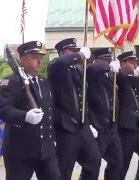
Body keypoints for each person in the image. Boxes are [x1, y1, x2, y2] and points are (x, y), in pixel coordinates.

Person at [0, 41, 59, 180]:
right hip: (20, 150)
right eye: (34, 56)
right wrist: (24, 116)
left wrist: (53, 138)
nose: (39, 60)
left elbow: (50, 112)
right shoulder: (11, 81)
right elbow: (1, 109)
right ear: (23, 60)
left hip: (46, 149)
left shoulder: (44, 82)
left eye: (40, 57)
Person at [48, 38, 101, 180]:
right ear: (62, 53)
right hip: (66, 126)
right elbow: (61, 62)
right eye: (72, 52)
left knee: (94, 162)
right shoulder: (55, 66)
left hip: (82, 125)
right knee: (64, 169)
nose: (76, 54)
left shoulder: (77, 70)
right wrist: (80, 56)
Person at [116, 51, 139, 180]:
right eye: (132, 62)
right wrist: (136, 72)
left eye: (136, 62)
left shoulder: (135, 78)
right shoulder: (120, 75)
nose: (135, 64)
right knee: (124, 160)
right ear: (123, 63)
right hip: (126, 126)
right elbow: (123, 75)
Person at [86, 48, 123, 180]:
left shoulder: (110, 76)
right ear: (97, 60)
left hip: (112, 126)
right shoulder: (92, 71)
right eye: (105, 60)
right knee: (92, 165)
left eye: (110, 60)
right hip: (98, 125)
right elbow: (92, 68)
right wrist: (108, 67)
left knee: (117, 162)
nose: (108, 62)